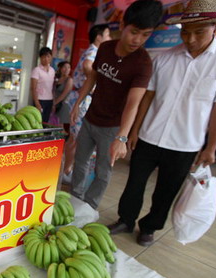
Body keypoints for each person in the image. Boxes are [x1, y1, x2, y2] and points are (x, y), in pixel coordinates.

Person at [108, 0, 216, 247]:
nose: (189, 39)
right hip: (149, 136)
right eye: (185, 32)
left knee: (166, 191)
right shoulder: (165, 58)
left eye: (198, 32)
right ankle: (125, 219)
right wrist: (134, 130)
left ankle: (149, 227)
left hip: (185, 143)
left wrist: (211, 148)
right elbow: (148, 96)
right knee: (134, 183)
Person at [69, 0, 163, 210]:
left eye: (146, 34)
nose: (137, 40)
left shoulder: (143, 64)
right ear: (122, 25)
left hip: (112, 128)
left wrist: (122, 136)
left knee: (103, 171)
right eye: (134, 32)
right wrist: (78, 102)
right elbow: (93, 76)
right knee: (80, 162)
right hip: (91, 118)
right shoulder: (106, 47)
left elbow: (133, 103)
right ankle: (75, 199)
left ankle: (89, 207)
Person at [63, 24, 111, 180]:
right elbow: (87, 66)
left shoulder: (93, 51)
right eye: (107, 34)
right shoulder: (93, 51)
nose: (109, 38)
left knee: (74, 138)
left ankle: (66, 170)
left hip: (80, 98)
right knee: (79, 139)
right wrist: (101, 80)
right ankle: (68, 171)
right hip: (82, 100)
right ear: (99, 37)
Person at [31, 47, 55, 123]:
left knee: (46, 122)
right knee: (38, 121)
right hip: (40, 100)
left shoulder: (52, 70)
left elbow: (51, 87)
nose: (46, 59)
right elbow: (33, 88)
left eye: (48, 56)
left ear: (51, 57)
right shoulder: (36, 70)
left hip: (49, 100)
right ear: (40, 58)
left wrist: (53, 102)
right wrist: (37, 102)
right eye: (43, 56)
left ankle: (45, 134)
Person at [53, 61, 73, 134]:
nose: (67, 69)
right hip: (56, 104)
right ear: (60, 68)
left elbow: (64, 94)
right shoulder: (57, 79)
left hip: (63, 105)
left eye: (68, 67)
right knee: (56, 124)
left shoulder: (69, 80)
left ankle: (62, 142)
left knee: (61, 125)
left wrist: (54, 103)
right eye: (65, 67)